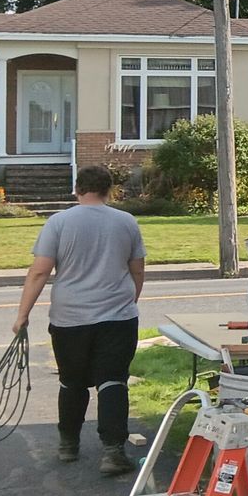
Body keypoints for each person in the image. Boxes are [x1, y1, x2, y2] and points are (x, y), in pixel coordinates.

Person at [13, 164, 146, 476]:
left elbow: (40, 272)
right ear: (109, 190)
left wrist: (22, 316)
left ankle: (68, 444)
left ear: (77, 189)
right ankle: (113, 451)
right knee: (113, 380)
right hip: (117, 316)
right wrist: (131, 298)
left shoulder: (59, 222)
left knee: (71, 381)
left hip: (69, 318)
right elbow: (137, 269)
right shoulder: (126, 222)